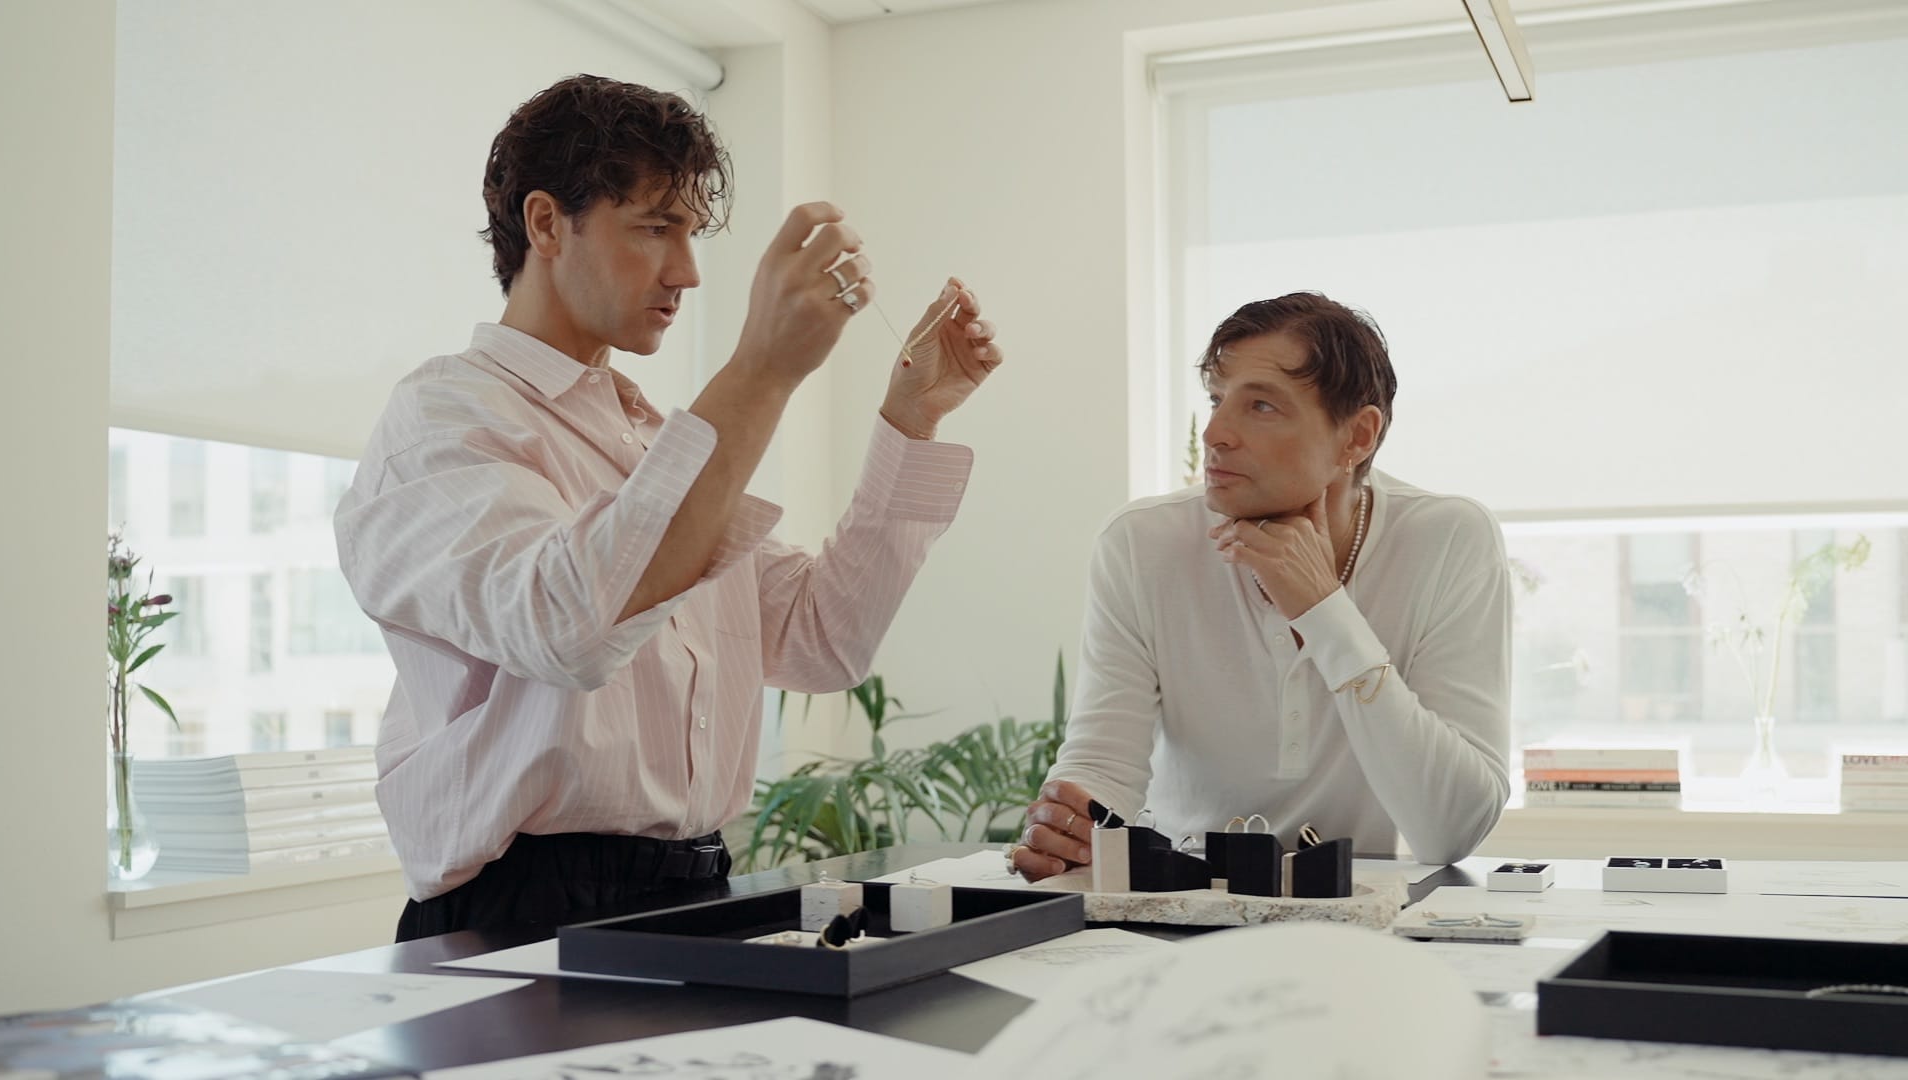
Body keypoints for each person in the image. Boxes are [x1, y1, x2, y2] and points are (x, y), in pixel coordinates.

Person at [334, 75, 1003, 939]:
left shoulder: (655, 442)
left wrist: (912, 418)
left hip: (700, 886)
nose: (686, 271)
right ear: (545, 224)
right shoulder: (444, 419)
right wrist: (762, 368)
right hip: (520, 908)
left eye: (689, 232)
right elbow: (570, 621)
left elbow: (822, 637)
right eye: (655, 227)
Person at [1009, 292, 1507, 881]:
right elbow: (1102, 769)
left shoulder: (1448, 538)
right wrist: (1067, 828)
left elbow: (1450, 830)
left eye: (1261, 406)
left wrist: (1325, 610)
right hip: (1178, 908)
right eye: (1217, 400)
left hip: (1356, 916)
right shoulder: (1141, 542)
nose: (1216, 433)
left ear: (1357, 438)